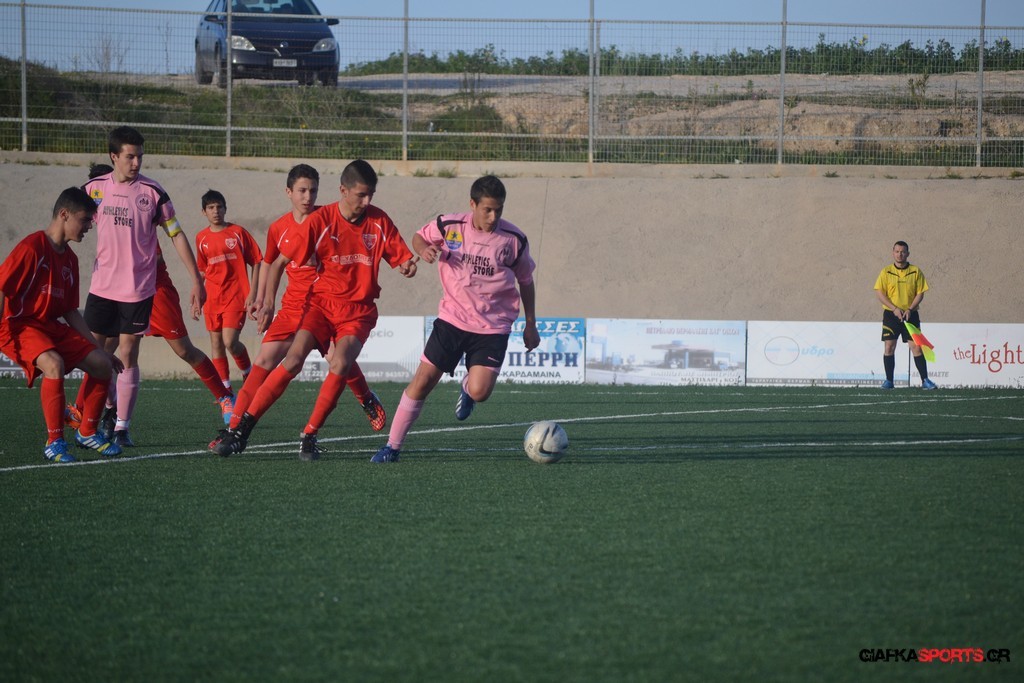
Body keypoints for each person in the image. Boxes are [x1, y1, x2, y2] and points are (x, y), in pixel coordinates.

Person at [213, 160, 418, 458]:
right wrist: (267, 301)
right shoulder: (300, 225)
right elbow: (275, 262)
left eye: (312, 190)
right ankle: (238, 430)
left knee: (340, 362)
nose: (307, 196)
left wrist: (408, 265)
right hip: (311, 305)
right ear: (289, 192)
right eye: (302, 190)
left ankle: (318, 428)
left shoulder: (373, 220)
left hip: (352, 309)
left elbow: (402, 259)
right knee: (282, 360)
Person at [371, 175, 539, 463]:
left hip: (493, 326)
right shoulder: (450, 225)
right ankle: (392, 447)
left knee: (480, 391)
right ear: (472, 204)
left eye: (499, 209)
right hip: (452, 318)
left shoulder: (514, 240)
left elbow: (526, 280)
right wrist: (423, 249)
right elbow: (420, 236)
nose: (493, 216)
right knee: (423, 381)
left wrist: (531, 324)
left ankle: (467, 389)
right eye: (487, 209)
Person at [68, 165, 236, 438]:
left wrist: (195, 280)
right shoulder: (99, 211)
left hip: (153, 289)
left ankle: (225, 396)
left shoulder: (138, 207)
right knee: (102, 353)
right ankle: (106, 413)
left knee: (183, 350)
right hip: (116, 290)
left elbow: (160, 249)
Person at [81, 126, 206, 447]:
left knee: (128, 354)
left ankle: (122, 427)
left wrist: (196, 278)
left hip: (137, 289)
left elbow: (175, 234)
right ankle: (109, 409)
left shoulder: (153, 192)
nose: (136, 163)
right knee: (94, 357)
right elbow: (72, 222)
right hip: (102, 287)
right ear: (114, 157)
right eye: (130, 157)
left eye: (139, 156)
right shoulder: (94, 189)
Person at [0, 187, 124, 463]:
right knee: (53, 364)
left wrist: (98, 349)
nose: (89, 226)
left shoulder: (70, 259)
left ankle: (87, 432)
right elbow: (2, 287)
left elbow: (70, 311)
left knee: (101, 364)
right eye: (85, 220)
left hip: (48, 326)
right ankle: (55, 442)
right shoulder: (32, 247)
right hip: (18, 325)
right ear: (64, 214)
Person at [195, 188, 262, 392]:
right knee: (216, 343)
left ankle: (248, 372)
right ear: (204, 212)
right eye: (211, 208)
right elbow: (202, 270)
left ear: (225, 209)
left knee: (230, 341)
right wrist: (196, 295)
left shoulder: (238, 233)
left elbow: (257, 261)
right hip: (213, 297)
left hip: (236, 295)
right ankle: (226, 391)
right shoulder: (201, 238)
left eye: (219, 207)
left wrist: (253, 293)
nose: (216, 211)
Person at [873, 240, 937, 390]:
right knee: (889, 347)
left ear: (908, 254)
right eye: (897, 251)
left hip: (910, 316)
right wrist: (894, 309)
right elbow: (880, 293)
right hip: (891, 315)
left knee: (917, 348)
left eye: (903, 252)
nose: (900, 254)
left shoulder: (915, 271)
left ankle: (925, 381)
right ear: (893, 253)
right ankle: (889, 381)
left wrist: (910, 309)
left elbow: (920, 293)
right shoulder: (886, 272)